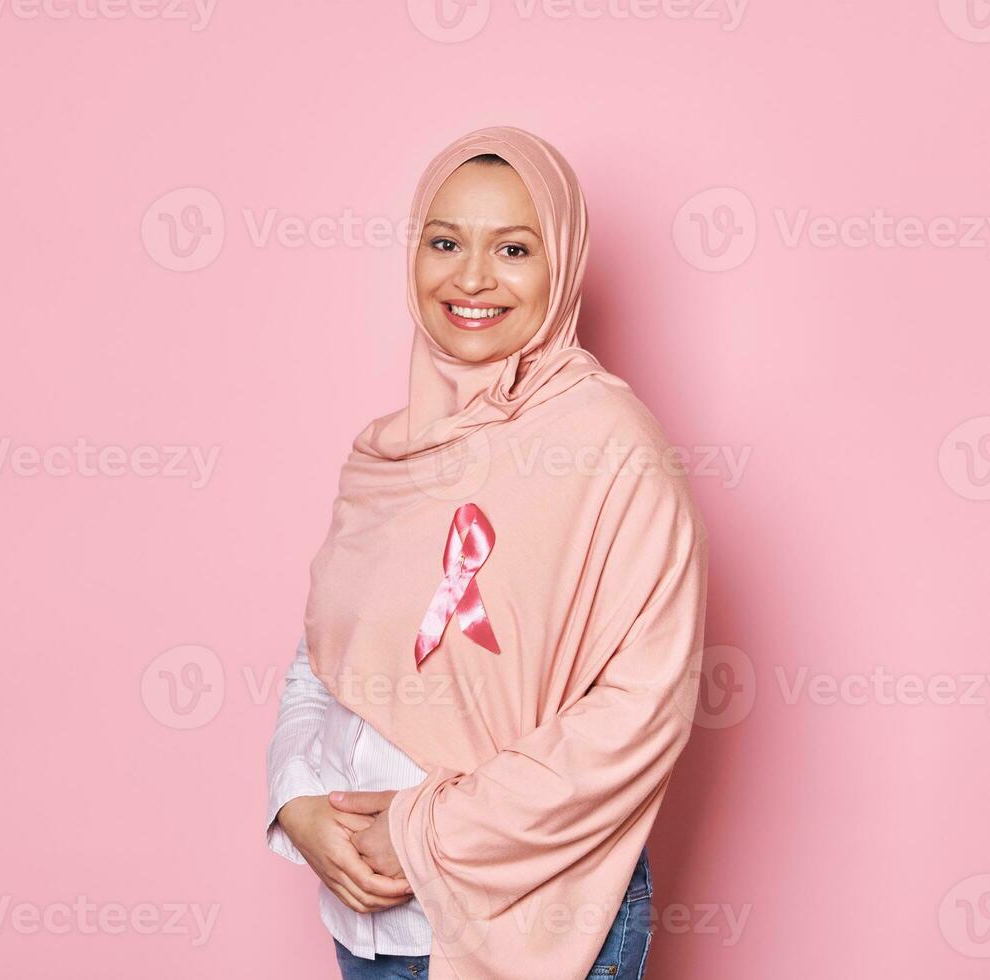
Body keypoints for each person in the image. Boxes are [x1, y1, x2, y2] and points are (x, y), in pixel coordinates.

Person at [263, 127, 708, 980]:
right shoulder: (389, 456)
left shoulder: (609, 446)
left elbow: (638, 713)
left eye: (512, 248)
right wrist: (297, 801)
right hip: (371, 930)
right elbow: (324, 658)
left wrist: (425, 830)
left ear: (562, 264)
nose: (469, 278)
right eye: (443, 242)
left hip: (535, 919)